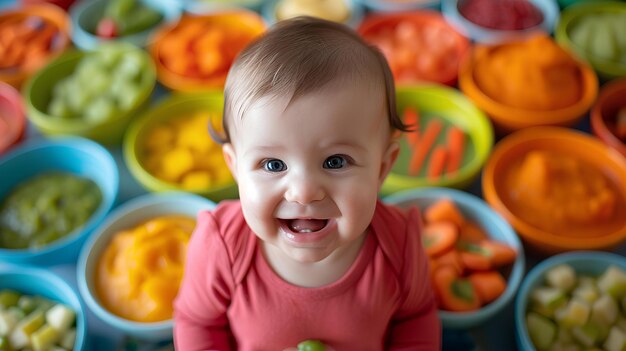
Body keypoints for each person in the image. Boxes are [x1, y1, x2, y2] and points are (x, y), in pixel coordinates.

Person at [174, 16, 441, 351]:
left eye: (335, 162)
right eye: (273, 164)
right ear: (235, 167)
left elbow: (416, 319)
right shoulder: (221, 246)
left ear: (381, 169)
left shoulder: (399, 245)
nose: (303, 191)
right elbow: (197, 322)